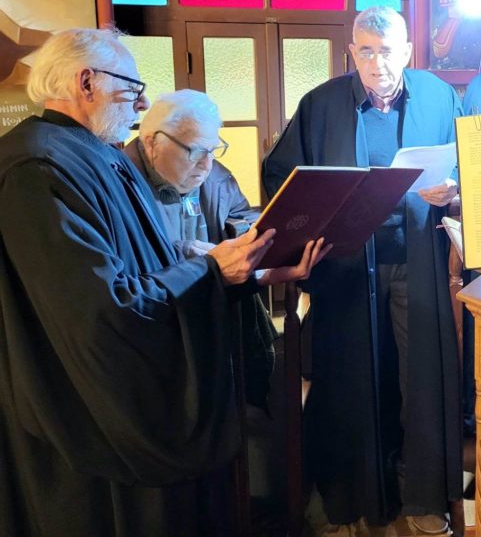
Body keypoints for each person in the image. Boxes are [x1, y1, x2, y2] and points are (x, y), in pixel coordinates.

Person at [0, 28, 326, 537]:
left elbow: (154, 265)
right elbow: (105, 310)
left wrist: (250, 275)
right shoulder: (37, 167)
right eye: (132, 89)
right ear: (86, 82)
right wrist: (213, 270)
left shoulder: (95, 154)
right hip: (91, 426)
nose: (142, 104)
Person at [262, 6, 463, 535]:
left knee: (420, 379)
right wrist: (312, 224)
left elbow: (474, 163)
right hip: (347, 266)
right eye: (366, 52)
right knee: (352, 379)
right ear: (351, 53)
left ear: (408, 52)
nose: (378, 63)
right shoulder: (321, 104)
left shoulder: (440, 97)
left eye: (388, 51)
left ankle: (422, 497)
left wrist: (455, 191)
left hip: (418, 260)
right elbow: (281, 176)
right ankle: (352, 497)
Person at [124, 88, 277, 410]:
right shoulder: (121, 184)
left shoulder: (214, 175)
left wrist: (244, 239)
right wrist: (190, 253)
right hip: (158, 325)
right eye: (195, 151)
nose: (207, 164)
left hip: (216, 309)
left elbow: (241, 215)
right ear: (151, 143)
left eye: (213, 149)